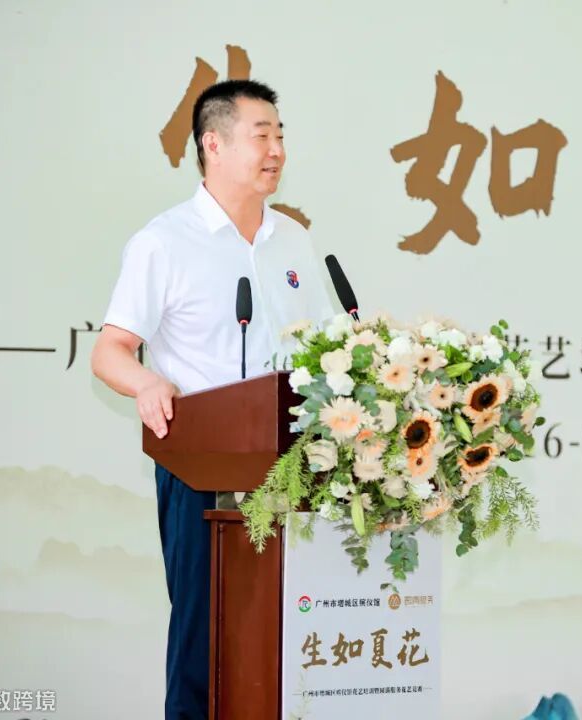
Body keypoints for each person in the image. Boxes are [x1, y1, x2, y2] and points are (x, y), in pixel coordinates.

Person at [91, 78, 336, 719]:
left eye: (280, 135)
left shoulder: (294, 241)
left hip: (293, 469)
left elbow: (328, 347)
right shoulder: (164, 241)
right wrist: (148, 382)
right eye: (262, 136)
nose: (277, 150)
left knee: (289, 642)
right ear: (213, 145)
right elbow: (110, 351)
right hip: (201, 472)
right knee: (207, 644)